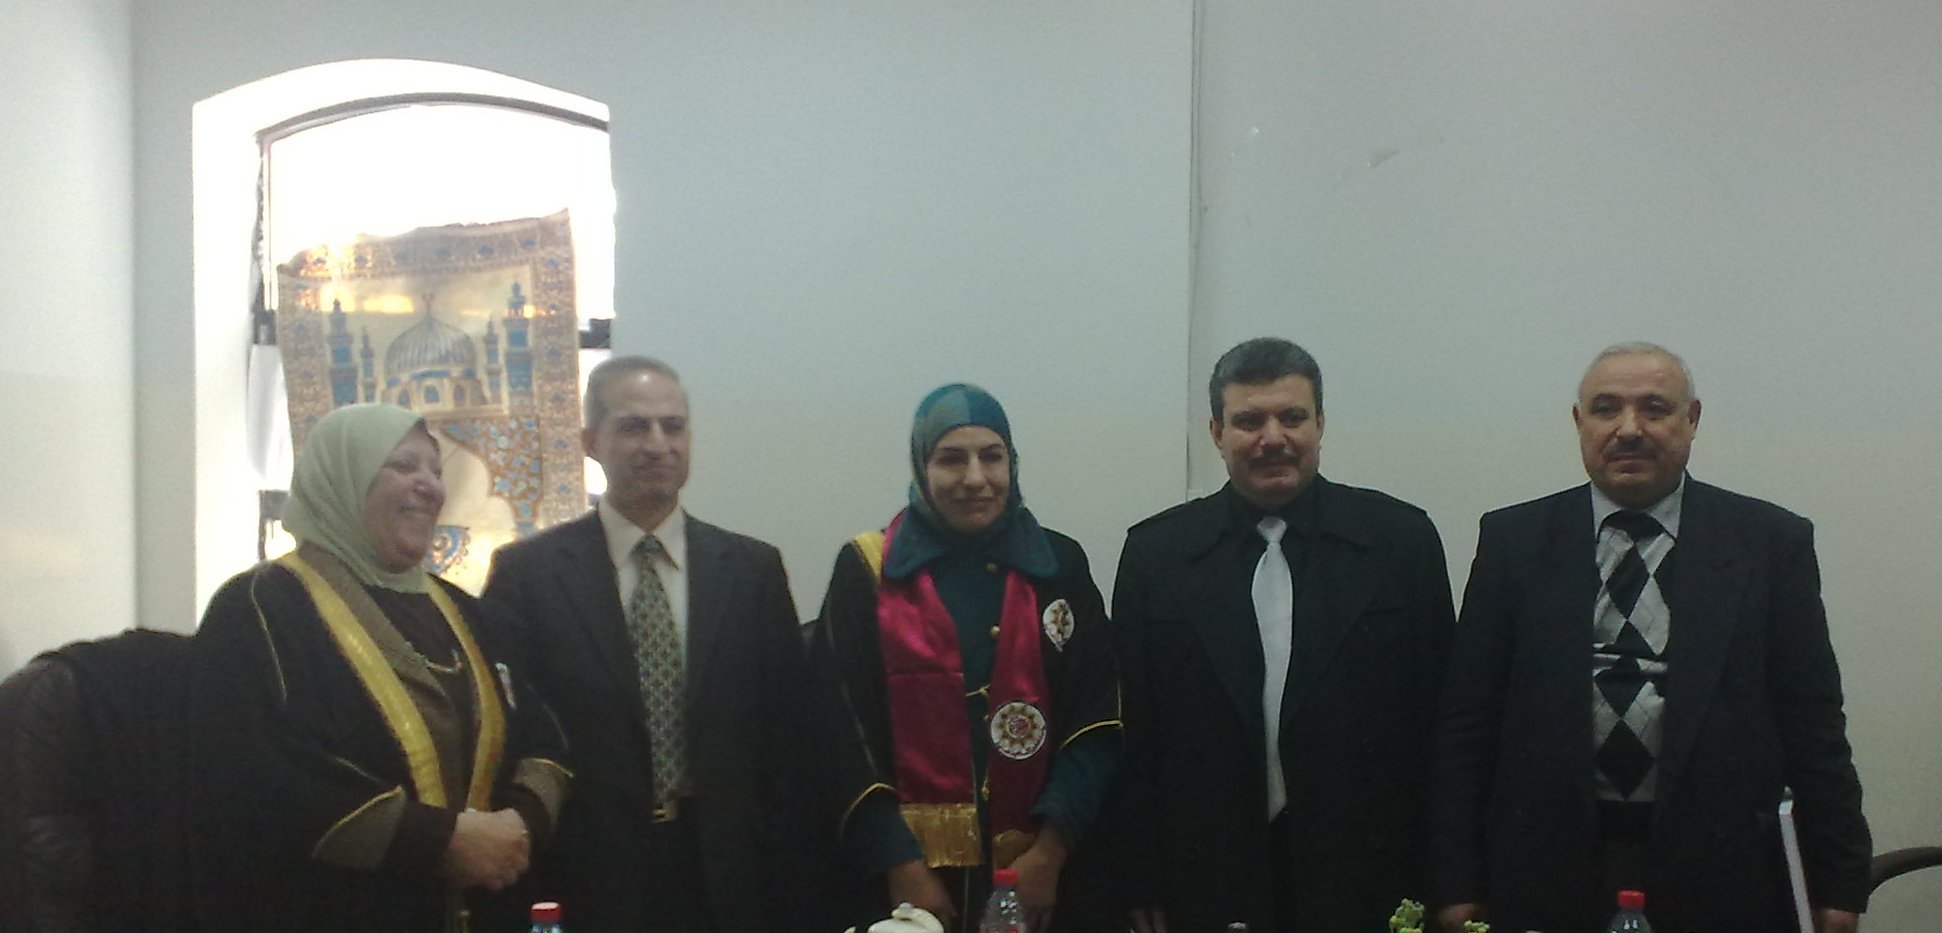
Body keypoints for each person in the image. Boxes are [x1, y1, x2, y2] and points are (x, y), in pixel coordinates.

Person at [1429, 343, 1871, 933]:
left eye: (1654, 408)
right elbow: (1468, 723)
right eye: (1606, 408)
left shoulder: (1769, 543)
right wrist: (1456, 879)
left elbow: (1814, 723)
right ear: (1579, 421)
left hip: (1722, 869)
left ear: (1692, 418)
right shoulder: (1513, 540)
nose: (1629, 429)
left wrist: (1838, 882)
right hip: (1546, 868)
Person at [1111, 337, 1455, 932]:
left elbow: (1445, 722)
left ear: (1320, 424)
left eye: (1292, 417)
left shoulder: (1400, 543)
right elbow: (1134, 733)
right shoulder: (1156, 555)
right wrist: (1138, 875)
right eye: (1249, 421)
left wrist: (1451, 878)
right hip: (1206, 873)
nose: (1273, 438)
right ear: (1217, 432)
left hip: (1369, 873)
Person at [191, 403, 569, 933]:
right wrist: (441, 843)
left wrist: (518, 824)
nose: (429, 486)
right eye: (403, 465)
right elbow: (259, 771)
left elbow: (541, 737)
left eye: (435, 470)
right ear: (342, 478)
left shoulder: (463, 611)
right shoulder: (261, 607)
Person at [483, 356, 818, 932]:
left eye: (673, 426)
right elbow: (508, 736)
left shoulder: (751, 570)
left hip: (728, 875)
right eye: (634, 426)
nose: (658, 445)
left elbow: (787, 736)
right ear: (591, 442)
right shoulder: (528, 576)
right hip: (585, 875)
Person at [813, 383, 1121, 933]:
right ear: (921, 466)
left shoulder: (1059, 566)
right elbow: (838, 735)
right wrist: (899, 864)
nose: (975, 478)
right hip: (905, 882)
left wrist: (1050, 851)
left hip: (1045, 874)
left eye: (991, 456)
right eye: (952, 459)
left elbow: (1095, 719)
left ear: (1012, 463)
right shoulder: (866, 571)